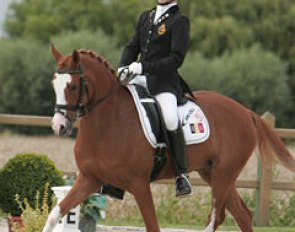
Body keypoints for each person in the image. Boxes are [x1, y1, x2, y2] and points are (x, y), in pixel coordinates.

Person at [118, 0, 192, 197]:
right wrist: (122, 66)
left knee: (169, 117)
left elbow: (177, 59)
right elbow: (132, 46)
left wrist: (144, 67)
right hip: (139, 79)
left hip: (164, 83)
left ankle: (181, 175)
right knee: (119, 108)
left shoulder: (179, 21)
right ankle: (114, 174)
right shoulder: (146, 16)